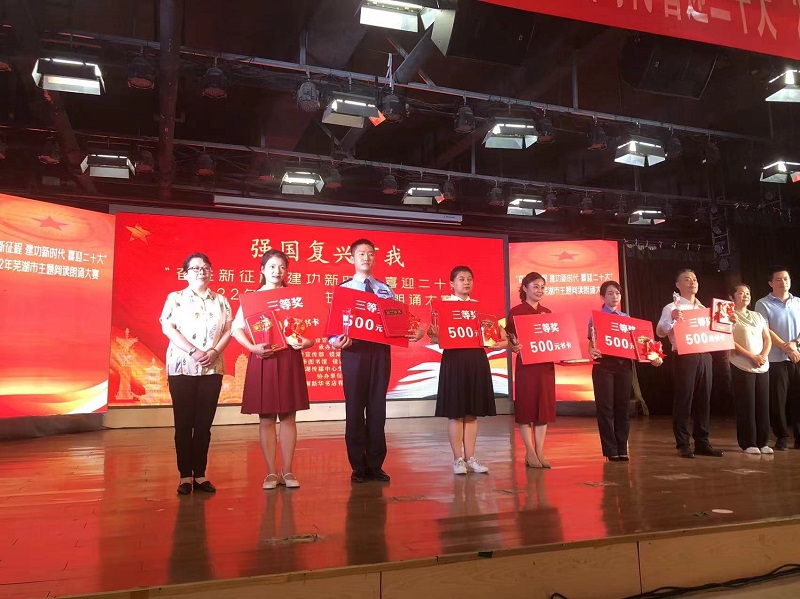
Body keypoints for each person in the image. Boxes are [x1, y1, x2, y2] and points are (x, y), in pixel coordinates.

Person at [329, 239, 425, 483]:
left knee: (377, 408)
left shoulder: (385, 289)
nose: (366, 257)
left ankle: (375, 464)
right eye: (361, 254)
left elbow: (398, 320)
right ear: (351, 258)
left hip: (380, 353)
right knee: (354, 409)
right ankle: (358, 467)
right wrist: (335, 341)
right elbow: (333, 325)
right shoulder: (343, 289)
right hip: (353, 353)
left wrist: (413, 330)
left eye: (370, 253)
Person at [231, 250, 313, 490]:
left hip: (289, 358)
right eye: (272, 266)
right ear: (262, 270)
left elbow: (310, 331)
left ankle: (288, 471)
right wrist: (252, 348)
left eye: (282, 267)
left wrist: (306, 342)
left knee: (288, 416)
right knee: (266, 417)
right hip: (263, 357)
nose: (277, 271)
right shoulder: (253, 298)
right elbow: (236, 328)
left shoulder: (294, 298)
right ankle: (270, 472)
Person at [160, 252, 232, 495]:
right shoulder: (175, 298)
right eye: (195, 268)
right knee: (183, 424)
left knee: (203, 425)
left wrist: (214, 351)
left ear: (211, 272)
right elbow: (168, 327)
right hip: (182, 368)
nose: (201, 272)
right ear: (185, 274)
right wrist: (193, 351)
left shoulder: (221, 301)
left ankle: (200, 475)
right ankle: (184, 476)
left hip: (212, 368)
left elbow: (228, 330)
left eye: (206, 268)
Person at [428, 266, 508, 475]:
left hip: (476, 360)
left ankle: (470, 458)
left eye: (469, 279)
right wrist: (433, 333)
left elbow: (496, 335)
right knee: (456, 413)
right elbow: (435, 338)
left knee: (472, 413)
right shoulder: (443, 307)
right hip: (454, 360)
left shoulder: (480, 308)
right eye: (461, 279)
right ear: (452, 284)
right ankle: (457, 459)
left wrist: (500, 341)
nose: (466, 282)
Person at [588, 281, 662, 462]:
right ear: (602, 297)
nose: (614, 296)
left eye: (617, 293)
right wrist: (592, 351)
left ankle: (622, 448)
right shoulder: (596, 317)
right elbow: (592, 343)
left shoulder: (626, 318)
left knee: (622, 407)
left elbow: (639, 342)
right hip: (604, 365)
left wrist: (653, 356)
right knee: (605, 408)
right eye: (610, 293)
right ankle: (610, 449)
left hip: (624, 366)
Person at [656, 268, 724, 459]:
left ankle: (702, 442)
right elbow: (660, 332)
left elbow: (719, 333)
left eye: (694, 279)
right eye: (687, 279)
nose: (692, 282)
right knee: (684, 399)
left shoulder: (704, 309)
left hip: (705, 355)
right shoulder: (671, 307)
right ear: (678, 285)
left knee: (704, 400)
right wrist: (672, 319)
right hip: (685, 356)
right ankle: (683, 443)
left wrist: (730, 322)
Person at [504, 272, 556, 469]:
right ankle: (530, 452)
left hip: (545, 366)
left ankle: (540, 451)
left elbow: (555, 338)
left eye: (542, 287)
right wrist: (514, 346)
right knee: (526, 409)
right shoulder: (516, 311)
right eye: (535, 286)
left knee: (543, 410)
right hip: (526, 366)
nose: (539, 290)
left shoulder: (547, 312)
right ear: (525, 288)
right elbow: (509, 338)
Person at [754, 267, 800, 451]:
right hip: (775, 359)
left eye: (786, 279)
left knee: (798, 398)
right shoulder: (763, 303)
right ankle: (782, 436)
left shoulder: (798, 302)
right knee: (778, 400)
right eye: (778, 279)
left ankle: (799, 436)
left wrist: (795, 344)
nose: (783, 282)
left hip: (797, 356)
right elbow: (765, 330)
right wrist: (785, 347)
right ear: (770, 283)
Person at [730, 284, 772, 454]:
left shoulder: (758, 316)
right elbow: (729, 341)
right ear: (732, 297)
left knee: (763, 404)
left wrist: (763, 355)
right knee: (746, 404)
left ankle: (763, 442)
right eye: (741, 293)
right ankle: (748, 443)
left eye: (747, 293)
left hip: (762, 364)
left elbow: (767, 338)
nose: (745, 295)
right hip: (742, 364)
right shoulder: (729, 316)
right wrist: (751, 356)